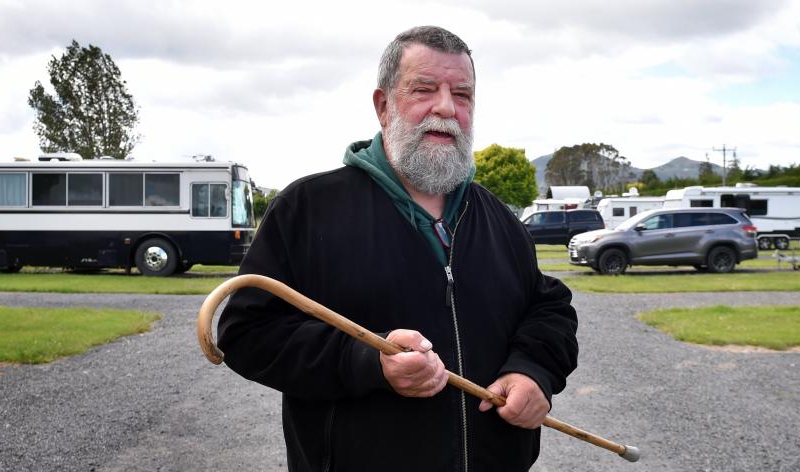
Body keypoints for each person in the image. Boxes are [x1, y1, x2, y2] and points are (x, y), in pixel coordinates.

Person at [217, 25, 578, 472]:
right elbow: (246, 333)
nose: (446, 108)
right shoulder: (307, 209)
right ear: (383, 105)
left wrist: (533, 370)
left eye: (462, 95)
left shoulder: (499, 218)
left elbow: (549, 309)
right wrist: (367, 362)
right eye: (424, 89)